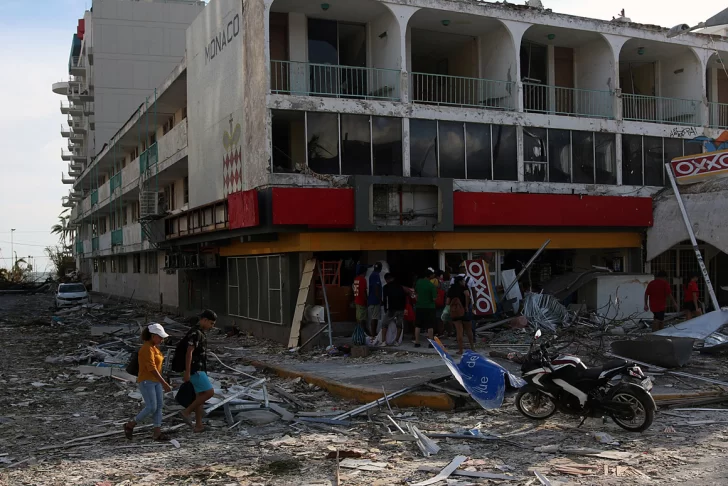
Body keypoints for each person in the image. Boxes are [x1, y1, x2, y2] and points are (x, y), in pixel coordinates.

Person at [124, 323, 172, 440]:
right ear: (153, 336)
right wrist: (164, 382)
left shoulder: (154, 348)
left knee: (159, 406)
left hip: (155, 381)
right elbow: (151, 368)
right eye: (160, 337)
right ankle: (131, 424)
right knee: (151, 407)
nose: (161, 339)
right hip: (147, 381)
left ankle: (157, 432)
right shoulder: (146, 348)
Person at [179, 309, 217, 433]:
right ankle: (186, 412)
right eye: (211, 323)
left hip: (199, 367)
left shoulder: (200, 332)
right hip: (196, 369)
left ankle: (199, 425)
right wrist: (188, 372)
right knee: (209, 392)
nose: (212, 326)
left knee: (199, 396)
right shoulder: (195, 333)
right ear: (204, 320)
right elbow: (189, 353)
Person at [448, 276, 475, 354]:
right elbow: (467, 296)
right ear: (460, 281)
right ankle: (472, 347)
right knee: (469, 330)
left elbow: (447, 301)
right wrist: (466, 306)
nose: (464, 282)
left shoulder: (451, 289)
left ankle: (460, 350)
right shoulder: (464, 288)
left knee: (459, 331)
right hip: (465, 310)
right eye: (463, 281)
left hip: (455, 312)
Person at [380, 273, 406, 345]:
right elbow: (403, 297)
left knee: (384, 324)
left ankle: (383, 341)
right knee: (399, 324)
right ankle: (396, 341)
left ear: (386, 280)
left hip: (392, 309)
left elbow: (386, 299)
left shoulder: (386, 287)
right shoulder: (400, 287)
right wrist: (404, 308)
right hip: (400, 309)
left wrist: (386, 309)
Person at [413, 268, 438, 348]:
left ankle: (417, 342)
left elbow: (416, 293)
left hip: (419, 306)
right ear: (430, 275)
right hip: (430, 307)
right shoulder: (431, 285)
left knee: (418, 325)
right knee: (430, 325)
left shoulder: (419, 282)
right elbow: (434, 298)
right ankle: (431, 343)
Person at [352, 266, 368, 344]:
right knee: (362, 318)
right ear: (364, 272)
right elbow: (364, 291)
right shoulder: (363, 280)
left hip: (357, 300)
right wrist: (366, 300)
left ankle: (359, 331)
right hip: (361, 301)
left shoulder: (356, 279)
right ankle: (361, 332)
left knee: (358, 317)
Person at [368, 262, 383, 337]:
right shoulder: (376, 275)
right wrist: (380, 299)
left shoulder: (372, 275)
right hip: (375, 300)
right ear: (380, 268)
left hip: (371, 299)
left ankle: (373, 333)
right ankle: (373, 334)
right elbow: (376, 288)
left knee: (374, 317)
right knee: (375, 318)